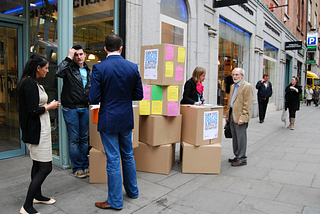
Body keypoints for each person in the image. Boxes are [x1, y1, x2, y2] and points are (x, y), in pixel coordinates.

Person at [89, 34, 143, 210]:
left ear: (105, 49)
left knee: (113, 159)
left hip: (108, 118)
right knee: (127, 154)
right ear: (121, 48)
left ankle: (115, 201)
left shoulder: (99, 68)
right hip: (126, 117)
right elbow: (138, 95)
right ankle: (133, 191)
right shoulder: (132, 67)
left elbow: (94, 98)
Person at [17, 53, 60, 214]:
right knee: (45, 168)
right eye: (46, 68)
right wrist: (50, 106)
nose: (48, 71)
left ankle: (38, 195)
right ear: (38, 68)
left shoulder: (31, 82)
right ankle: (27, 205)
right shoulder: (29, 83)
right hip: (37, 132)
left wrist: (49, 106)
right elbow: (33, 110)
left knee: (37, 164)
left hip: (39, 129)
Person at [54, 45, 91, 178]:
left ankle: (85, 165)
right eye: (76, 55)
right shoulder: (68, 68)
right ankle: (77, 168)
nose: (78, 57)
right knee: (74, 139)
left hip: (85, 108)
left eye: (80, 54)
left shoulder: (88, 70)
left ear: (84, 54)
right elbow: (58, 72)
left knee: (84, 139)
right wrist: (68, 57)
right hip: (71, 108)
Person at [226, 68, 253, 167]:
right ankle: (237, 156)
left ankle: (242, 158)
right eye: (233, 75)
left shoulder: (247, 87)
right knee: (235, 137)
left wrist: (243, 117)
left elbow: (248, 104)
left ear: (242, 76)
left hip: (240, 116)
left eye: (237, 75)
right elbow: (230, 101)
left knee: (241, 137)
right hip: (232, 114)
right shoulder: (233, 86)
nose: (234, 77)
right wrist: (228, 114)